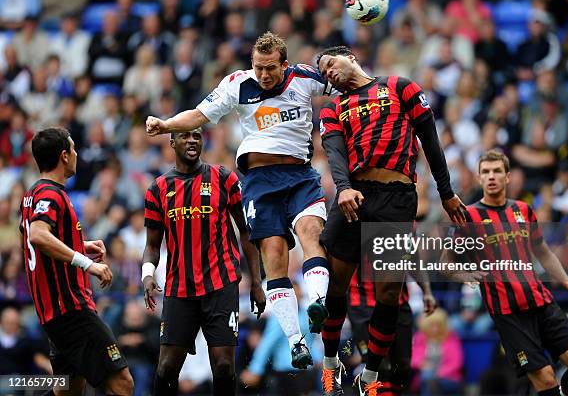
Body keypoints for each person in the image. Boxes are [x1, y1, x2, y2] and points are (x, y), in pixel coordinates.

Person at [146, 32, 337, 368]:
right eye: (258, 67)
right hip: (259, 183)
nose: (263, 75)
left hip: (300, 177)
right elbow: (198, 116)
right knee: (274, 256)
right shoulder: (237, 84)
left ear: (284, 64)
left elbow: (346, 84)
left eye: (270, 69)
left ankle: (318, 303)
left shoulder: (306, 78)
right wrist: (165, 125)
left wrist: (349, 66)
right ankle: (296, 342)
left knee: (311, 233)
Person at [316, 46, 465, 395]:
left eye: (330, 64)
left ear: (350, 56)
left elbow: (430, 140)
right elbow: (335, 153)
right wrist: (343, 188)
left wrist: (445, 192)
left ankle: (369, 375)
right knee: (334, 286)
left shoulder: (400, 87)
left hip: (396, 198)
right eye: (323, 74)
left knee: (389, 292)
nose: (329, 74)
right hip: (355, 194)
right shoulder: (333, 108)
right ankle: (329, 365)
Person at [441, 149, 568, 396]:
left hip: (542, 303)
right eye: (485, 172)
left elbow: (543, 252)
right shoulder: (466, 217)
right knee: (545, 379)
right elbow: (445, 263)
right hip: (509, 315)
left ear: (508, 177)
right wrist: (465, 275)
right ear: (479, 178)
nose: (491, 176)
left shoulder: (524, 210)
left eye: (497, 171)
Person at [141, 128, 266, 396]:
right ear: (172, 142)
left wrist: (256, 281)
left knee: (222, 366)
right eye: (185, 136)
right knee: (165, 368)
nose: (192, 141)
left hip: (221, 285)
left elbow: (246, 232)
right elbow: (152, 245)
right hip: (179, 289)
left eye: (197, 136)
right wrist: (148, 274)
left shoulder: (224, 178)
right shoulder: (158, 189)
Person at [19, 127, 134, 395]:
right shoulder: (51, 195)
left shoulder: (32, 194)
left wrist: (80, 245)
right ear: (64, 156)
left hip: (54, 314)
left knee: (69, 389)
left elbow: (39, 243)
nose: (77, 153)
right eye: (73, 148)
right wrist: (87, 263)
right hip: (72, 310)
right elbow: (38, 236)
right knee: (122, 383)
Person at [347, 274, 436, 395]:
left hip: (398, 304)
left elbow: (414, 260)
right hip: (361, 305)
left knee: (402, 366)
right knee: (376, 365)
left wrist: (427, 291)